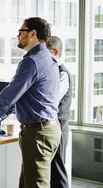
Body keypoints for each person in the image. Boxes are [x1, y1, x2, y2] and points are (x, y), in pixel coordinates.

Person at [0, 17, 61, 188]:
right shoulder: (48, 59)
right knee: (27, 184)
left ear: (33, 34)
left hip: (38, 134)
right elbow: (18, 98)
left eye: (21, 31)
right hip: (48, 130)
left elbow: (8, 97)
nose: (18, 35)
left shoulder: (32, 62)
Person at [46, 36, 72, 188]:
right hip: (53, 128)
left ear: (55, 52)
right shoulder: (53, 72)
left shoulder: (62, 73)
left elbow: (51, 99)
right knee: (50, 170)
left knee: (58, 169)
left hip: (60, 128)